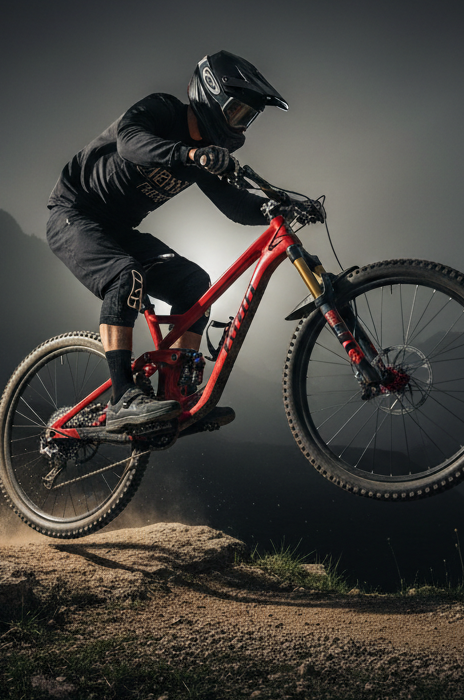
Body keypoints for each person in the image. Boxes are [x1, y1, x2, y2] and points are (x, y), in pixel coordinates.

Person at [45, 51, 287, 432]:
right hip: (74, 214)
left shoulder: (204, 154)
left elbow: (235, 207)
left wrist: (279, 208)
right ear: (212, 96)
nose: (241, 124)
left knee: (194, 284)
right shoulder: (162, 110)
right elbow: (129, 143)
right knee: (125, 277)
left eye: (247, 118)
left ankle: (175, 398)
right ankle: (124, 396)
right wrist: (190, 153)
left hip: (119, 231)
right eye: (238, 111)